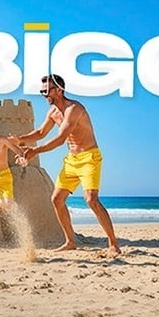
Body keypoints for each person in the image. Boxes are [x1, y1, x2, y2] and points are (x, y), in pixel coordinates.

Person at [18, 74, 121, 258]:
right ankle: (70, 241)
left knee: (91, 199)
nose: (43, 94)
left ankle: (113, 244)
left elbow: (60, 139)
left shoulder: (75, 109)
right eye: (42, 91)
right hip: (71, 160)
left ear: (59, 90)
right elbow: (41, 132)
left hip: (89, 158)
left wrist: (35, 151)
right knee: (57, 200)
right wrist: (19, 139)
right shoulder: (53, 112)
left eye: (47, 90)